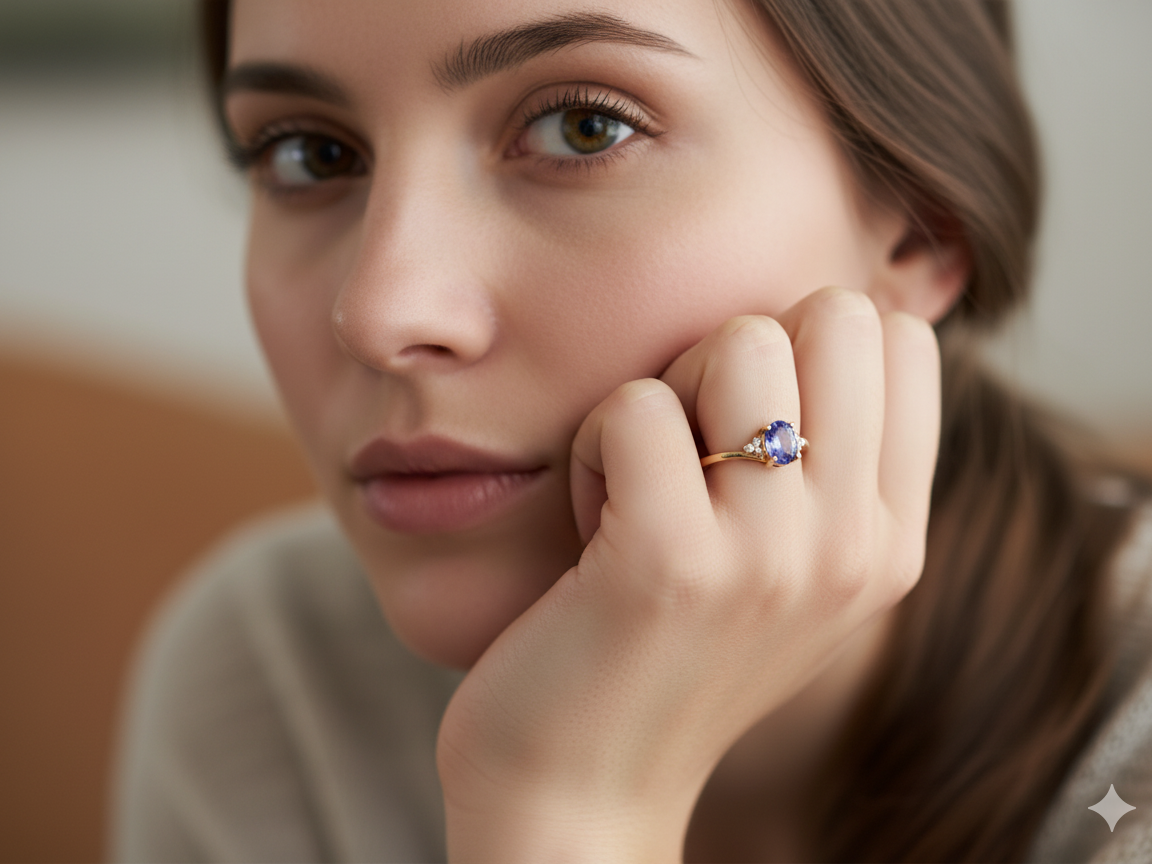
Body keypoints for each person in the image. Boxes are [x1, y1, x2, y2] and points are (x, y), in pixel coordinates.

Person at [112, 0, 1152, 861]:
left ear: (920, 227)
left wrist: (564, 809)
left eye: (583, 128)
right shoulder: (272, 677)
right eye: (310, 153)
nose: (379, 314)